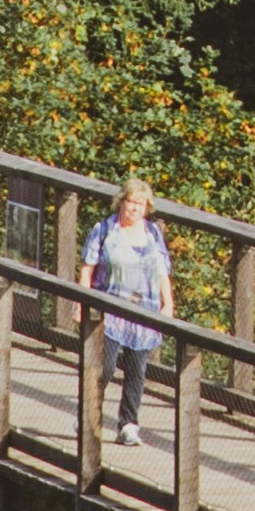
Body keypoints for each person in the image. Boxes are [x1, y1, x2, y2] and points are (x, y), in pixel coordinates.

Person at [81, 175, 175, 444]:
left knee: (137, 370)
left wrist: (167, 304)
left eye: (140, 204)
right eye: (131, 202)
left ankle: (128, 424)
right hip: (109, 307)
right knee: (105, 367)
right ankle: (89, 413)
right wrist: (82, 303)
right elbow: (87, 268)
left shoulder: (152, 233)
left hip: (144, 309)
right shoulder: (105, 230)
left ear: (147, 207)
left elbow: (161, 272)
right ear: (121, 202)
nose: (134, 208)